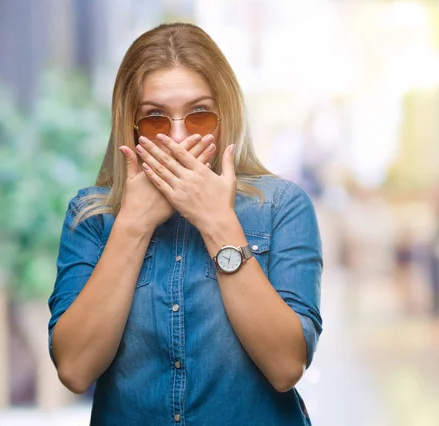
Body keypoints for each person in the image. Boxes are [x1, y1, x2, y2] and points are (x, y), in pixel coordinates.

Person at [47, 23, 323, 426]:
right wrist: (133, 226)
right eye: (156, 118)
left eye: (198, 115)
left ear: (224, 116)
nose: (177, 139)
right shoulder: (91, 216)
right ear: (132, 125)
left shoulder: (282, 207)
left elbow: (286, 367)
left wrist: (218, 223)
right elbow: (74, 369)